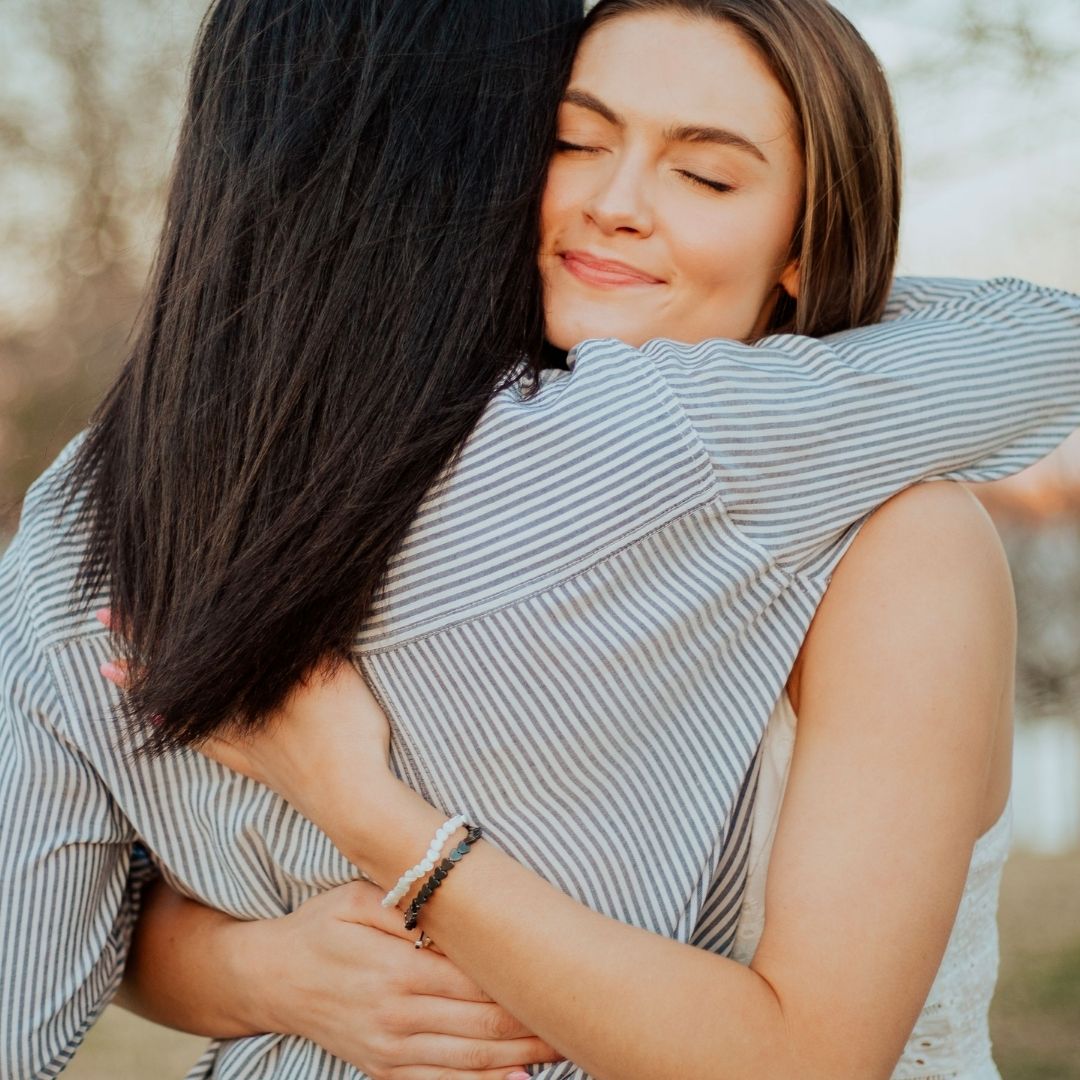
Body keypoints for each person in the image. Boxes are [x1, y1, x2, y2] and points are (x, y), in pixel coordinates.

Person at [1, 1, 1078, 1079]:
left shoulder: (76, 518)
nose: (614, 204)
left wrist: (369, 814)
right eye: (571, 143)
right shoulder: (442, 471)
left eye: (706, 177)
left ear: (807, 235)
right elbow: (1037, 333)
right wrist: (267, 970)